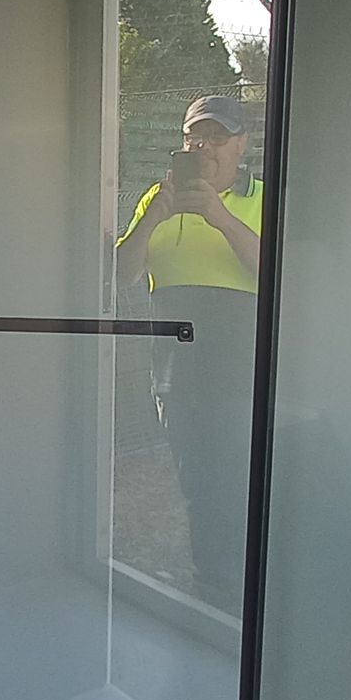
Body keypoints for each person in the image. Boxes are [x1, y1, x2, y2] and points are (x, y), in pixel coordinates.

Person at [114, 96, 263, 611]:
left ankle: (245, 588)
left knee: (239, 485)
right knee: (197, 484)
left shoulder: (266, 198)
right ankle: (215, 591)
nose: (204, 148)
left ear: (242, 145)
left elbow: (278, 277)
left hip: (243, 375)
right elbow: (122, 274)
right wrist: (152, 218)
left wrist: (220, 217)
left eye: (217, 137)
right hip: (176, 376)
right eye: (195, 137)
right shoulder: (159, 197)